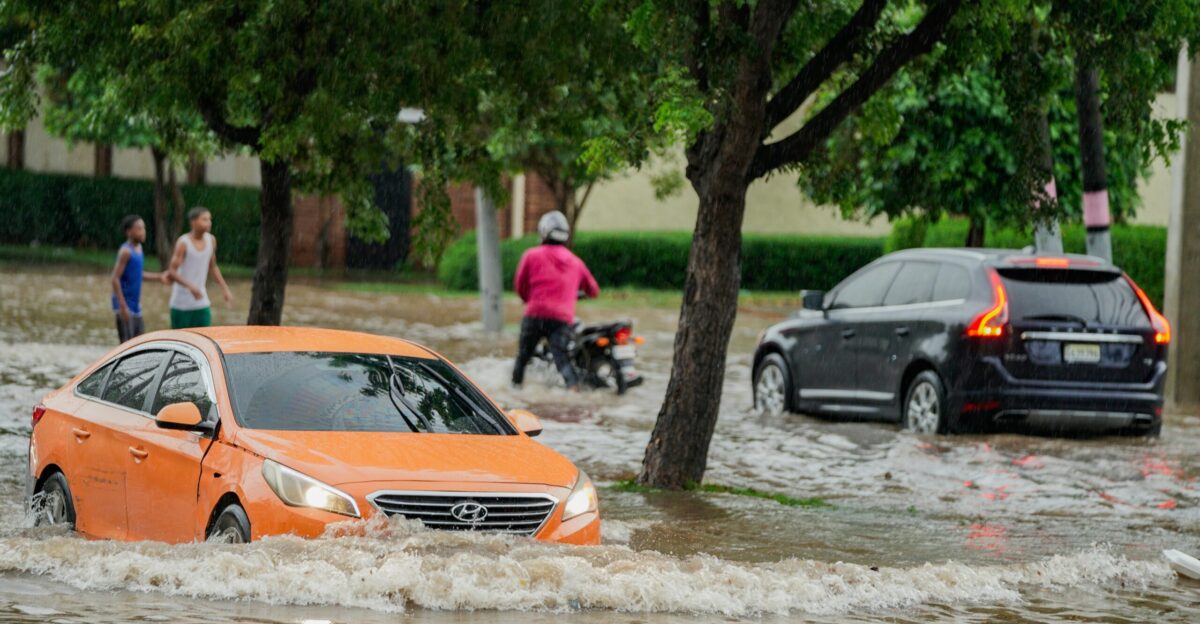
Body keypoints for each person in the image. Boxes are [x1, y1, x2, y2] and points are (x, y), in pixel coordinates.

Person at [512, 211, 600, 390]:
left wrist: (528, 299)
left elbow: (520, 286)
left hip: (535, 314)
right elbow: (594, 290)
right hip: (562, 319)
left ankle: (515, 389)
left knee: (523, 356)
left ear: (543, 231)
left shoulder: (531, 255)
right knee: (562, 359)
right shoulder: (576, 262)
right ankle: (573, 389)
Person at [168, 207, 232, 329]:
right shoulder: (183, 243)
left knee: (205, 338)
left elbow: (213, 267)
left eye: (209, 219)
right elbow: (171, 271)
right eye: (204, 219)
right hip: (181, 304)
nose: (209, 222)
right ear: (193, 222)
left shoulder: (211, 240)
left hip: (202, 302)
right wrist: (190, 286)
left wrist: (224, 288)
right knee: (182, 341)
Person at [110, 215, 168, 343]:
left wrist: (159, 277)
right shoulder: (126, 252)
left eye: (144, 228)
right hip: (125, 306)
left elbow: (137, 274)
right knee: (126, 345)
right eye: (139, 229)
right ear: (129, 232)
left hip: (135, 306)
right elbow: (115, 278)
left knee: (139, 343)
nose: (143, 232)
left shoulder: (139, 249)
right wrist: (123, 306)